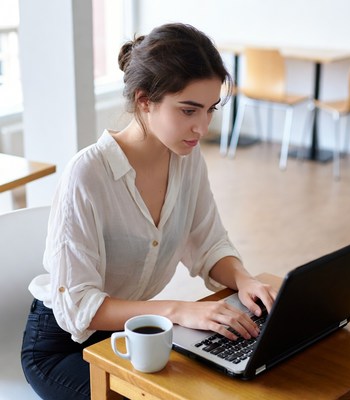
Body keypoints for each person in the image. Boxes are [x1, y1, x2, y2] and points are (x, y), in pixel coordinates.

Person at [21, 23, 277, 400]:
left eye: (210, 110)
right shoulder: (88, 174)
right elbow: (81, 310)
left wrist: (244, 280)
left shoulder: (187, 161)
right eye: (189, 110)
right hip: (64, 347)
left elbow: (209, 245)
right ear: (144, 100)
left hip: (135, 333)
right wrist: (178, 311)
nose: (202, 126)